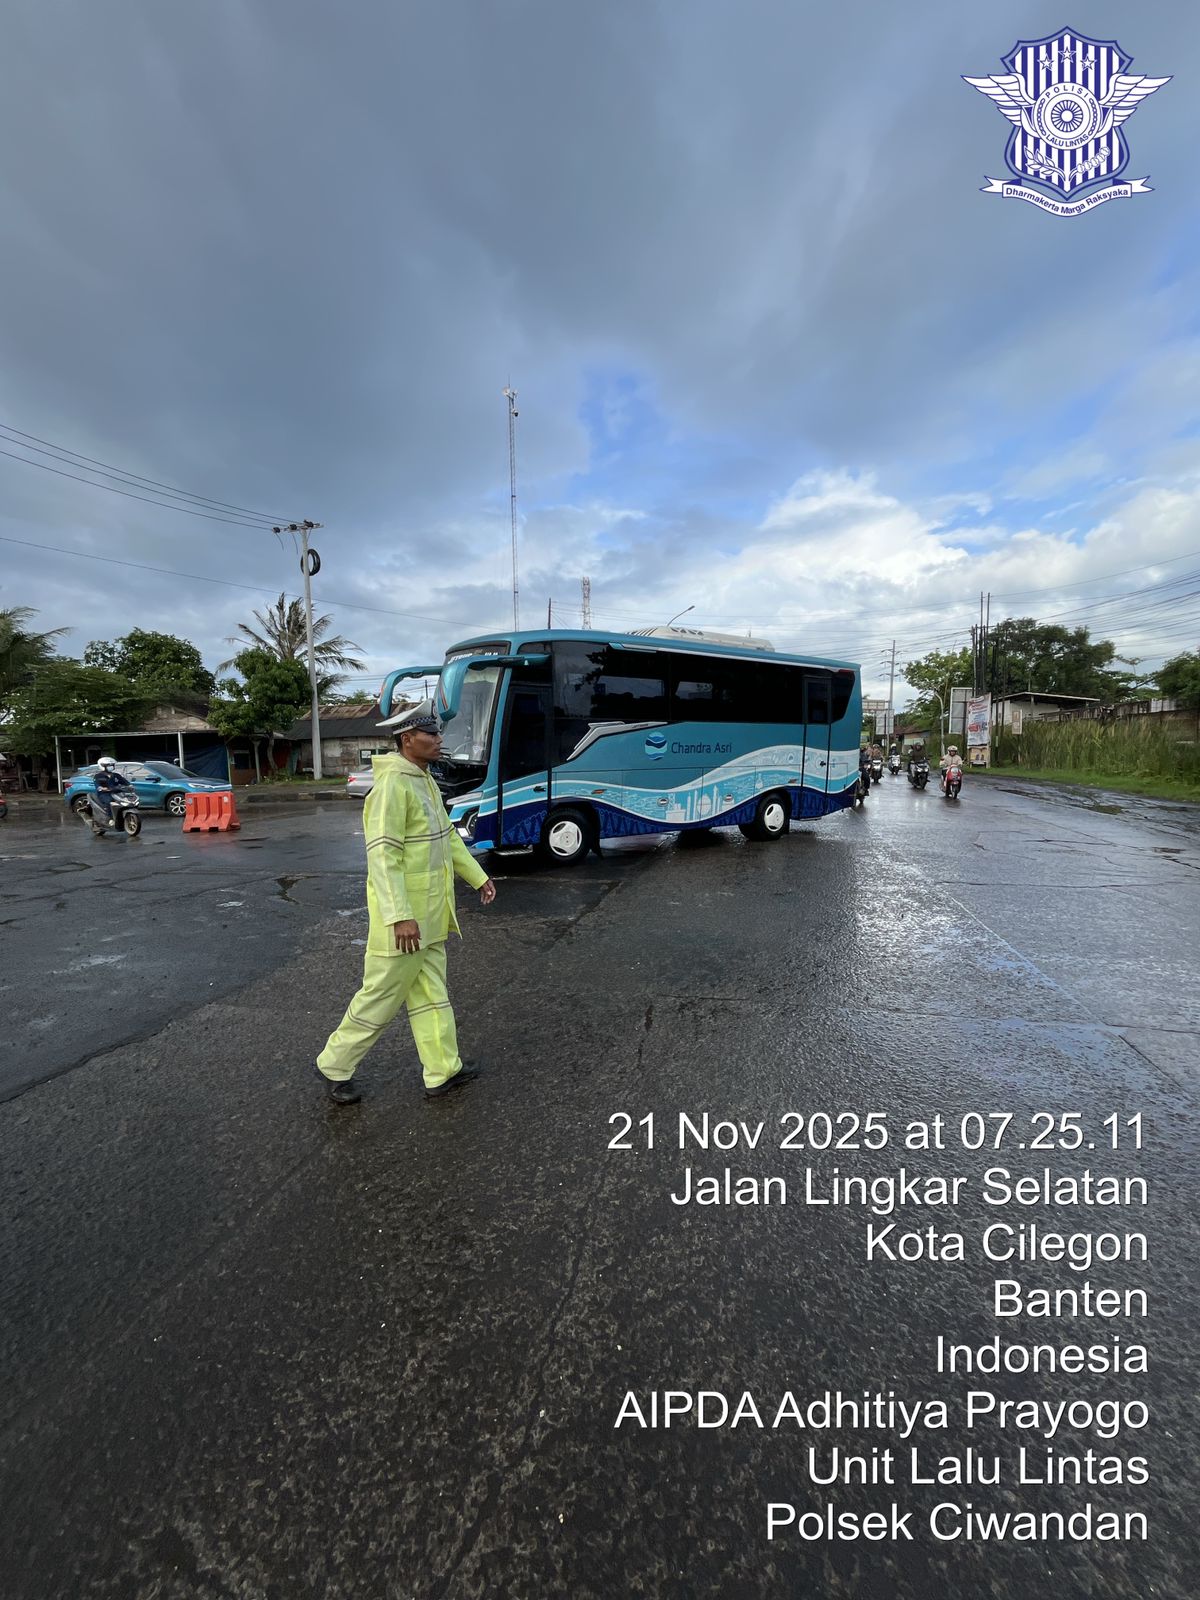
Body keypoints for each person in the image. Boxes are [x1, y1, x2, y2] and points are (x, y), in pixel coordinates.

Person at [315, 701, 496, 1106]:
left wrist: (478, 876)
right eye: (431, 733)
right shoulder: (392, 787)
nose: (439, 739)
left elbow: (448, 838)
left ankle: (443, 1069)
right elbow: (383, 857)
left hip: (430, 917)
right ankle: (334, 1064)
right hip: (405, 922)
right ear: (407, 739)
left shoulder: (423, 780)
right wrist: (399, 916)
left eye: (437, 732)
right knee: (380, 996)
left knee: (432, 995)